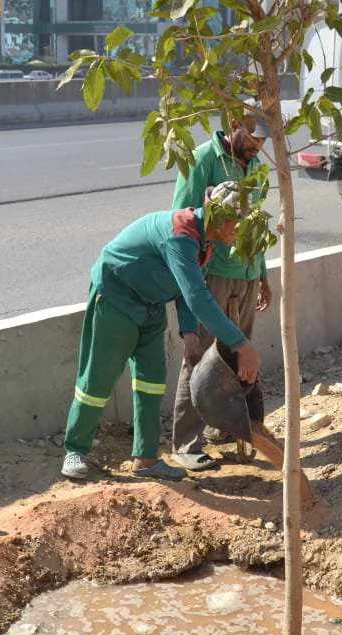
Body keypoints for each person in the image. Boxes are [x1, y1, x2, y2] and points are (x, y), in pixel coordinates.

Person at [61, 183, 262, 481]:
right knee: (98, 379)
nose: (240, 233)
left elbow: (185, 290)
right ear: (220, 217)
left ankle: (145, 460)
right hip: (116, 299)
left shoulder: (205, 242)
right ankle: (74, 450)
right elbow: (197, 296)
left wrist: (189, 333)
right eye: (239, 223)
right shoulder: (181, 236)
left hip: (151, 305)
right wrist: (241, 345)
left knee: (151, 382)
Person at [169, 110, 273, 472]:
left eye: (263, 140)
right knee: (199, 356)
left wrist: (261, 273)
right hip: (212, 272)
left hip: (245, 272)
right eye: (252, 137)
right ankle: (186, 443)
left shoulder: (256, 165)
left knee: (236, 357)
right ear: (235, 126)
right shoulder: (203, 160)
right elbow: (181, 220)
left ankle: (223, 428)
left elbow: (257, 220)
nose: (257, 146)